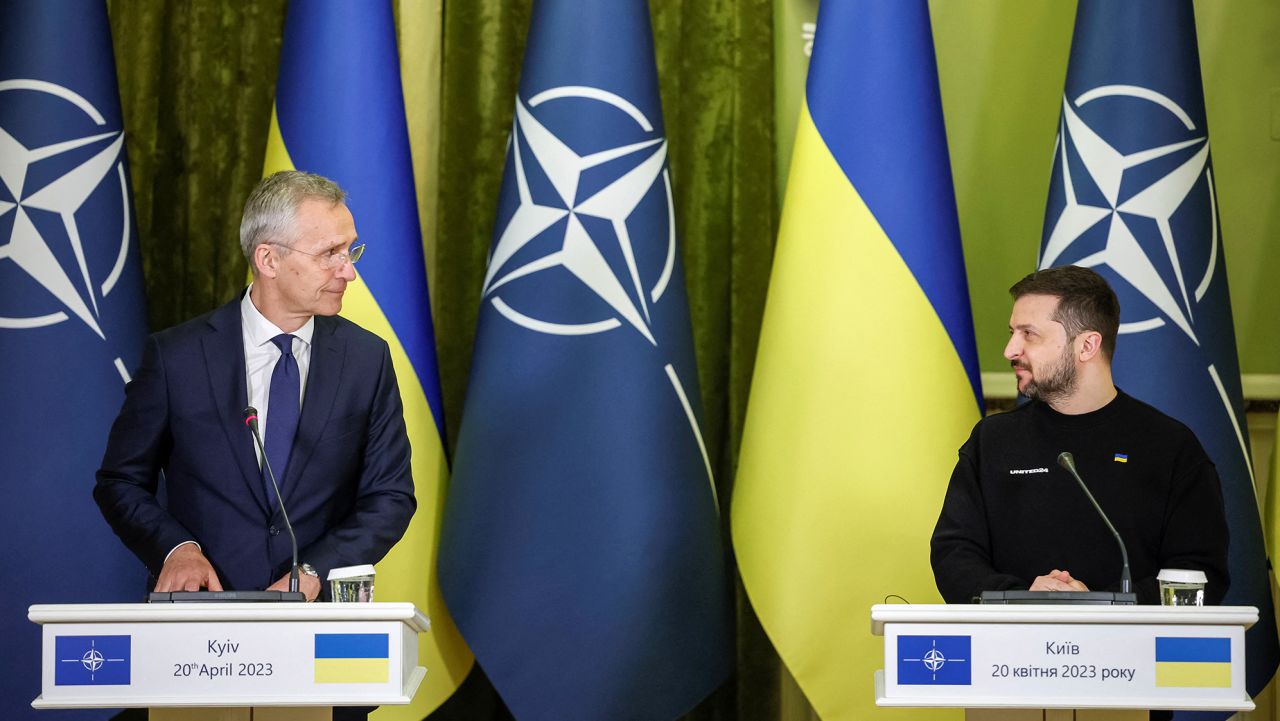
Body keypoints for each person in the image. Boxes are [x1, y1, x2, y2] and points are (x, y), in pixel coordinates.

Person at [95, 170, 416, 604]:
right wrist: (175, 549)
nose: (349, 272)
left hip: (317, 623)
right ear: (268, 260)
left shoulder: (366, 359)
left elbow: (390, 496)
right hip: (200, 616)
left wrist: (314, 569)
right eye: (330, 254)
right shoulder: (177, 357)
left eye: (350, 250)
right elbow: (120, 480)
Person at [930, 265, 1228, 605]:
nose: (1010, 350)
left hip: (1132, 653)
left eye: (1029, 334)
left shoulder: (1169, 447)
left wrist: (1106, 604)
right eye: (1013, 332)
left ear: (1087, 346)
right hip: (1007, 650)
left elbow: (1200, 573)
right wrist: (1023, 598)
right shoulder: (992, 441)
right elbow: (954, 553)